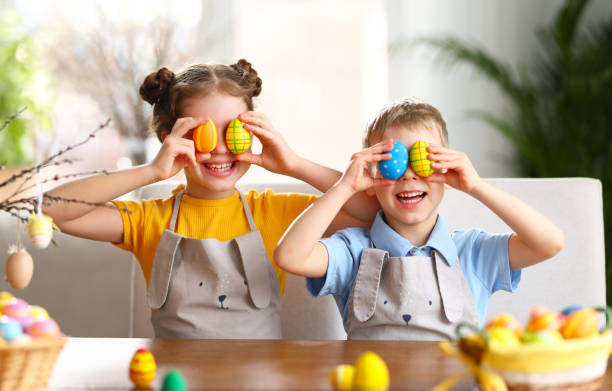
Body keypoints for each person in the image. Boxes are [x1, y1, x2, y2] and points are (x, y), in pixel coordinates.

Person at [43, 59, 379, 339]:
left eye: (233, 132)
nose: (219, 148)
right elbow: (51, 210)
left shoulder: (276, 212)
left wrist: (295, 164)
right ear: (170, 139)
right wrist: (152, 171)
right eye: (204, 134)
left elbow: (372, 213)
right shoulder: (148, 220)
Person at [274, 97, 564, 340]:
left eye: (423, 161)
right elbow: (289, 256)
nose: (409, 174)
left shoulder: (472, 252)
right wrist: (345, 187)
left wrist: (475, 186)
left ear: (447, 177)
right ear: (372, 181)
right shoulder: (353, 250)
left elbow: (549, 243)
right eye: (393, 164)